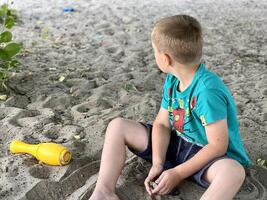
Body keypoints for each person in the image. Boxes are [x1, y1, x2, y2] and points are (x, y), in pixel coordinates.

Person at [89, 15, 251, 200]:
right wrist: (158, 163)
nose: (154, 56)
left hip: (209, 157)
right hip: (178, 145)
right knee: (118, 126)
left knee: (233, 172)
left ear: (165, 59)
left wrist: (178, 173)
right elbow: (162, 125)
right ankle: (103, 191)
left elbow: (217, 146)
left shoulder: (207, 91)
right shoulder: (174, 79)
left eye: (154, 52)